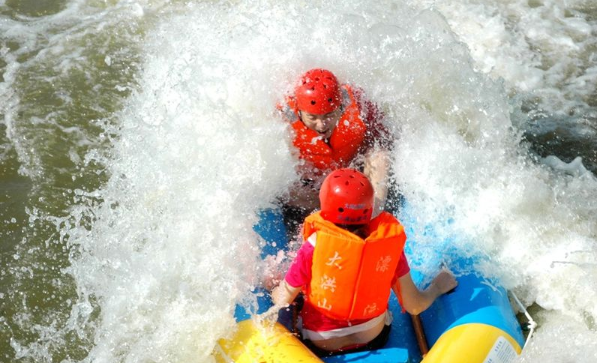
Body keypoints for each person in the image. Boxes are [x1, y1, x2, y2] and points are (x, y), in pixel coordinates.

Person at [269, 169, 457, 356]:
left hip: (320, 343)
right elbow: (414, 305)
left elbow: (282, 300)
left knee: (294, 293)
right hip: (373, 337)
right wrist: (437, 288)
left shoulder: (314, 245)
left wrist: (272, 286)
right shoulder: (386, 244)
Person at [277, 68, 394, 238]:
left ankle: (372, 221)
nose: (322, 125)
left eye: (329, 115)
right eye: (313, 118)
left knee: (380, 157)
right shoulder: (283, 118)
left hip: (353, 182)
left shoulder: (358, 103)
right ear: (300, 111)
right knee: (283, 191)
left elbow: (383, 139)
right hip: (311, 189)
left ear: (340, 107)